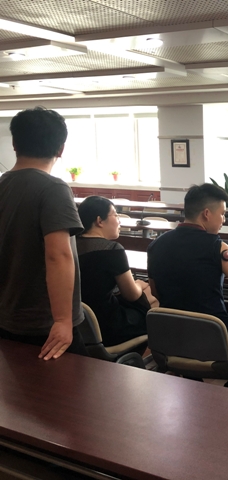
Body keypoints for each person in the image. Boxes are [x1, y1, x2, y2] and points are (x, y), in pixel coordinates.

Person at [0, 107, 86, 360]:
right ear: (61, 149)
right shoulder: (53, 188)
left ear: (14, 144)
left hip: (7, 315)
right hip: (44, 323)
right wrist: (62, 320)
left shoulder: (2, 185)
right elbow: (58, 255)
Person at [147, 184, 228, 354]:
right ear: (207, 214)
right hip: (215, 340)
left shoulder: (155, 245)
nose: (224, 220)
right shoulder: (217, 247)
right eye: (222, 214)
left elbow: (155, 292)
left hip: (172, 338)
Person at [77, 196, 157, 347]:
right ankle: (155, 355)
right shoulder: (112, 250)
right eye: (115, 215)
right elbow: (132, 295)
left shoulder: (70, 245)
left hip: (78, 323)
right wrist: (139, 284)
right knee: (153, 296)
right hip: (108, 326)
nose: (119, 221)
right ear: (99, 221)